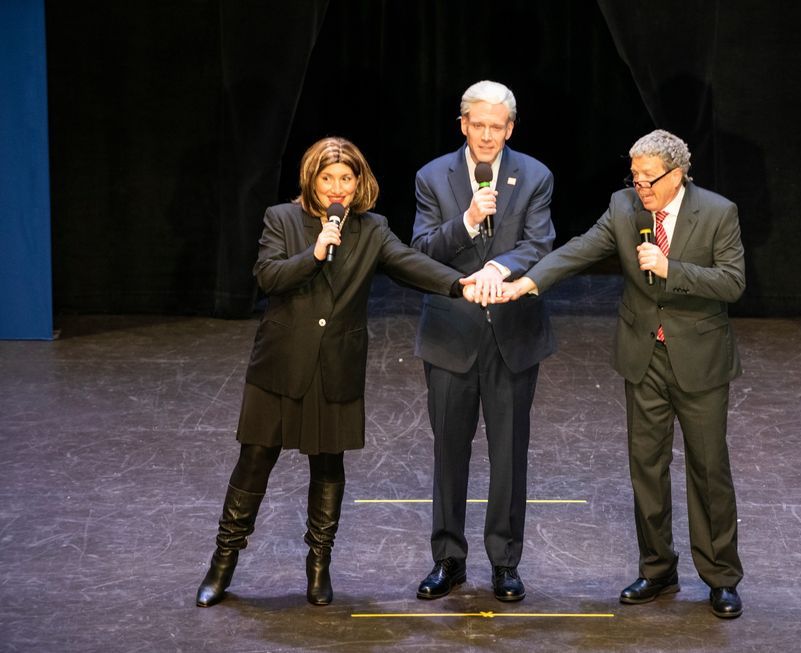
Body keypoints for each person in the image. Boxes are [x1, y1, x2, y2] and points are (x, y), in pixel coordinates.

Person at [196, 136, 479, 608]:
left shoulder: (373, 230)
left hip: (336, 368)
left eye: (346, 179)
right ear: (312, 180)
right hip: (281, 365)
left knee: (328, 468)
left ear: (359, 182)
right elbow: (268, 277)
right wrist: (316, 252)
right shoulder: (281, 219)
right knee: (254, 462)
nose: (337, 189)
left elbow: (411, 264)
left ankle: (318, 567)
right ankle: (222, 564)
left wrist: (457, 284)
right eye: (328, 178)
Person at [499, 129, 746, 618]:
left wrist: (672, 267)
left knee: (708, 469)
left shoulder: (718, 212)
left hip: (699, 359)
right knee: (646, 468)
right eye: (633, 176)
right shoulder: (623, 206)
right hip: (644, 355)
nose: (640, 187)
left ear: (677, 174)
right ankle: (657, 568)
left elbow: (733, 283)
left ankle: (720, 576)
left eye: (648, 178)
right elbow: (579, 249)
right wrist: (528, 281)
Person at [410, 80, 556, 602]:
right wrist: (469, 220)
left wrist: (499, 266)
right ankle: (447, 559)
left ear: (510, 128)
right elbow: (424, 250)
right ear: (464, 125)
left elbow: (539, 243)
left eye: (499, 127)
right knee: (449, 452)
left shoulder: (535, 175)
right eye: (480, 126)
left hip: (513, 335)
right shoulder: (432, 177)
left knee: (508, 454)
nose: (489, 136)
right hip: (451, 334)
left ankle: (505, 563)